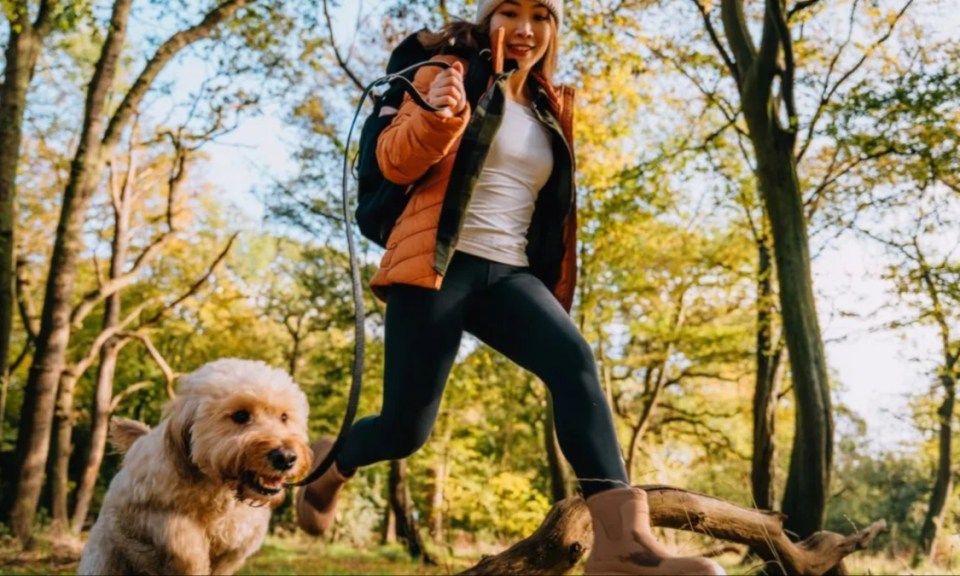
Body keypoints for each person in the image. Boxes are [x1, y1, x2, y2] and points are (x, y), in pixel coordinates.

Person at [296, 1, 724, 574]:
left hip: (509, 273)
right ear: (486, 19)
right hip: (438, 264)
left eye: (541, 14)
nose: (525, 29)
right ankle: (333, 462)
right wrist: (440, 117)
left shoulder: (549, 105)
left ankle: (621, 547)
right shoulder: (443, 72)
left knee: (573, 361)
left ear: (554, 28)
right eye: (509, 11)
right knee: (405, 429)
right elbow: (392, 162)